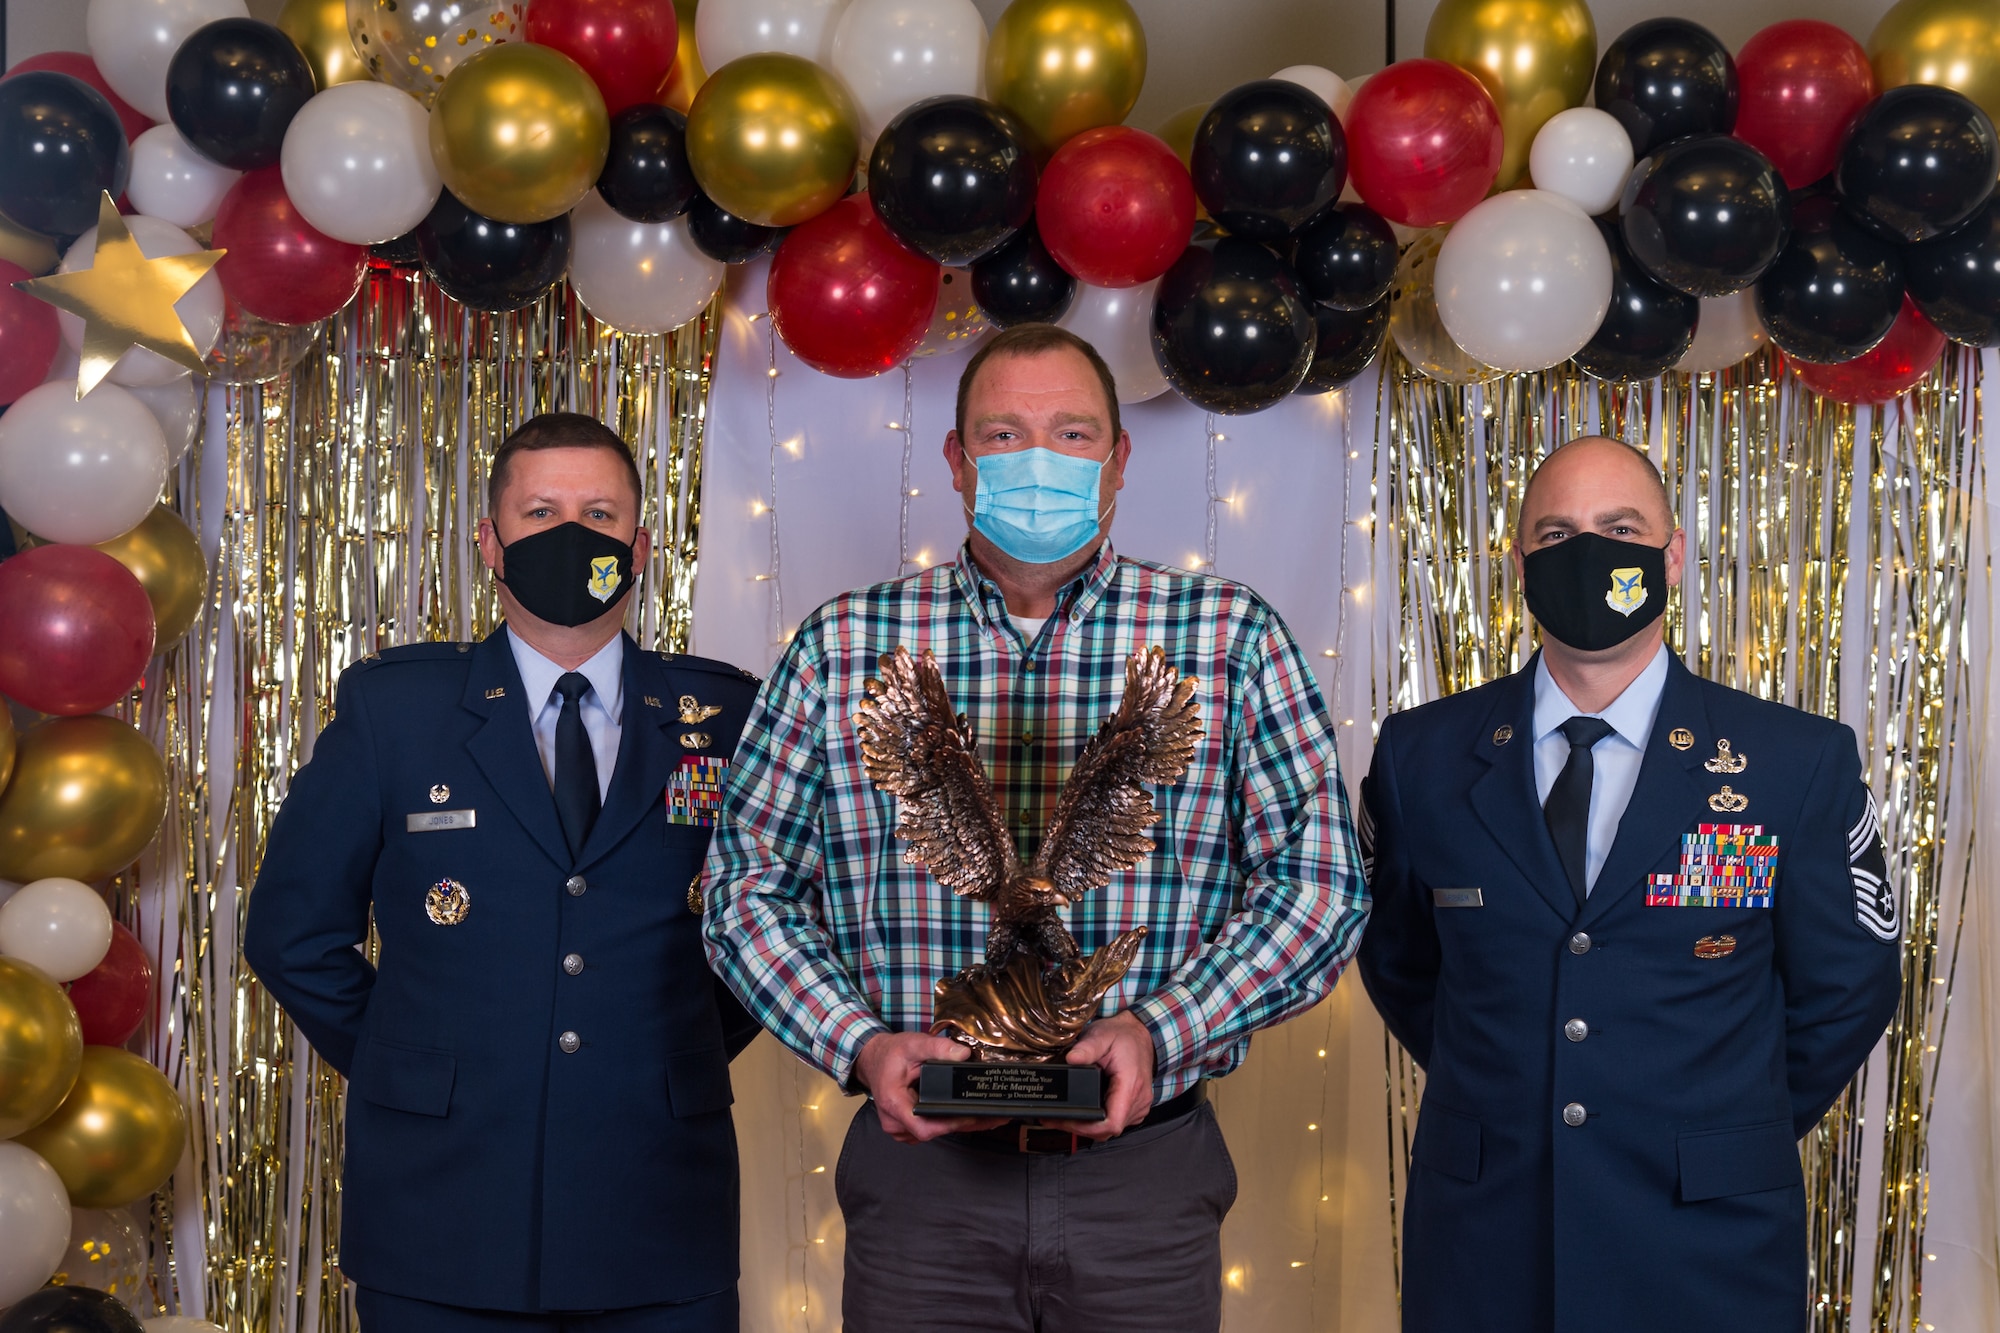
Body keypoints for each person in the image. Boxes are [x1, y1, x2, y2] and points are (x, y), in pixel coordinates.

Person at [700, 322, 1368, 1332]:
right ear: (958, 464)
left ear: (1117, 459)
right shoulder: (842, 646)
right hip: (922, 1188)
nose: (1037, 461)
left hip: (1142, 1183)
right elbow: (744, 888)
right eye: (1004, 436)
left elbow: (1319, 885)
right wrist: (862, 1046)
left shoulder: (1228, 636)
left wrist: (1158, 1029)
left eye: (1069, 433)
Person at [1357, 435, 1904, 1332]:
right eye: (1559, 532)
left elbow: (1850, 986)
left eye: (1621, 527)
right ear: (1521, 562)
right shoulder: (1421, 754)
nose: (1592, 552)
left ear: (1673, 555)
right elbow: (1403, 965)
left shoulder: (1792, 760)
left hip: (1706, 1238)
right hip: (1488, 1237)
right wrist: (1521, 1081)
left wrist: (1725, 1119)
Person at [244, 412, 762, 1333]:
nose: (572, 535)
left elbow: (771, 930)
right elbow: (293, 932)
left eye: (600, 514)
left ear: (640, 547)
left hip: (656, 1204)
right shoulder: (394, 709)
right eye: (540, 512)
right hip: (441, 1212)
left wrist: (668, 1054)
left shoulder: (725, 716)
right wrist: (410, 1064)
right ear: (490, 541)